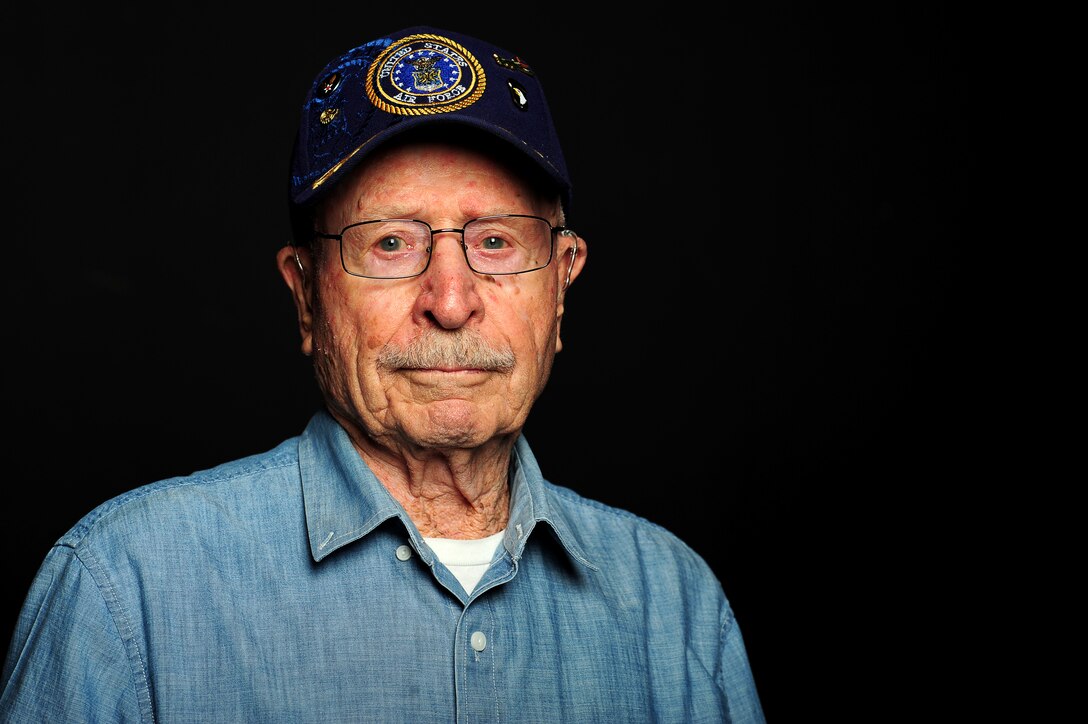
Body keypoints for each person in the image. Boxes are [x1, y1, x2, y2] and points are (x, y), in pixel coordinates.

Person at [1, 25, 765, 723]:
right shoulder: (124, 592)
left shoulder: (678, 608)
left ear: (561, 285)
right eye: (391, 244)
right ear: (306, 296)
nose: (451, 300)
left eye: (495, 241)